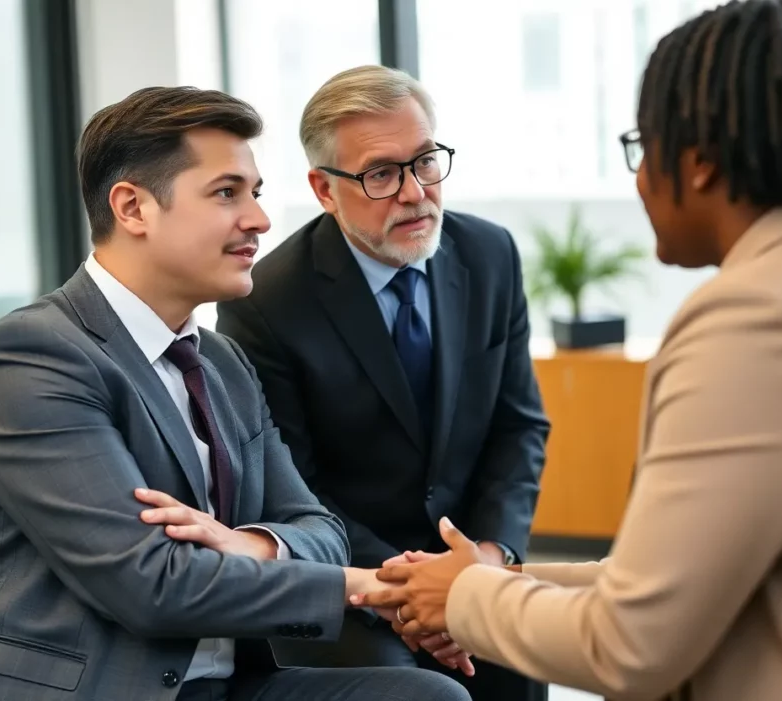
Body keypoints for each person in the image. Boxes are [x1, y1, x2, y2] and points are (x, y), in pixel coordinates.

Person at [355, 2, 782, 700]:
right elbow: (677, 582)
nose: (639, 177)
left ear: (695, 161)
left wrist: (468, 596)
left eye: (642, 146)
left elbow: (629, 642)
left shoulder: (765, 317)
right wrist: (487, 582)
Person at [0, 86, 469, 701]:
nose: (260, 220)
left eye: (256, 194)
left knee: (429, 696)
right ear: (133, 208)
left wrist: (254, 543)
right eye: (226, 193)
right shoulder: (36, 354)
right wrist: (370, 586)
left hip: (223, 684)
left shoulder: (220, 360)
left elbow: (319, 527)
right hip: (92, 688)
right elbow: (153, 586)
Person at [215, 65, 550, 701]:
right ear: (323, 188)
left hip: (471, 561)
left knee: (525, 664)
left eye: (425, 161)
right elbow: (293, 487)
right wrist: (408, 590)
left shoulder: (490, 256)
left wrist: (484, 560)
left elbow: (518, 426)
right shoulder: (267, 304)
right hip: (354, 582)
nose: (414, 193)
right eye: (380, 174)